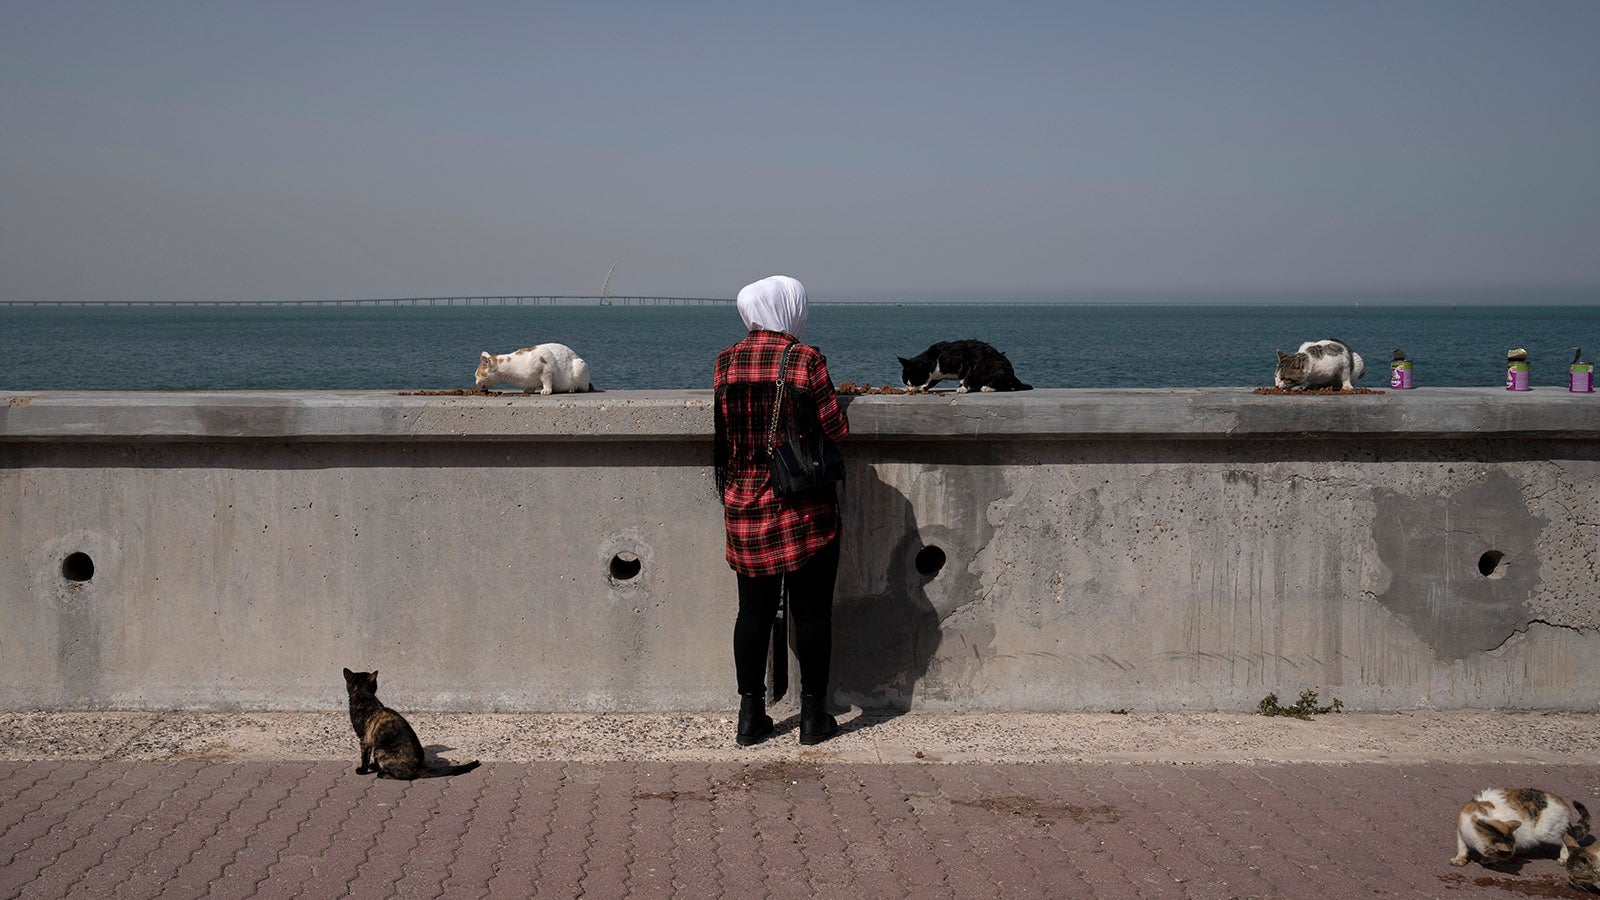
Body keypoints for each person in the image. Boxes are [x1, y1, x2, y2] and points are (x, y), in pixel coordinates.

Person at [712, 275, 849, 746]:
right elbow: (836, 427)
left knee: (752, 614)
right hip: (802, 507)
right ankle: (813, 718)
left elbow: (728, 435)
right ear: (790, 309)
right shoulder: (804, 359)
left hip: (745, 502)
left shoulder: (725, 362)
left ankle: (750, 717)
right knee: (811, 615)